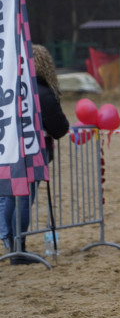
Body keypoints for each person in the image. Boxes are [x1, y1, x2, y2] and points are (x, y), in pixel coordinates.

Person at [1, 45, 69, 263]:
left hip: (9, 151)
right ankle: (19, 248)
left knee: (12, 196)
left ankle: (11, 243)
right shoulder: (42, 91)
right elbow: (60, 128)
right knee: (23, 199)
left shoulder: (9, 87)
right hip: (32, 153)